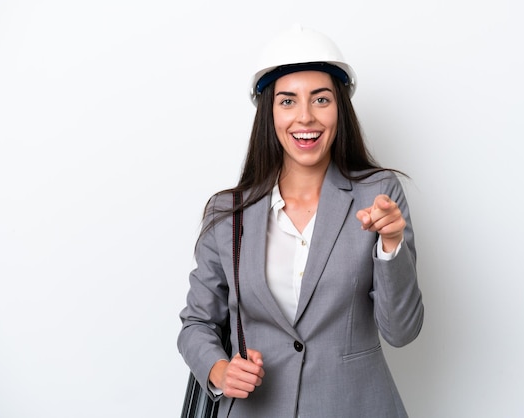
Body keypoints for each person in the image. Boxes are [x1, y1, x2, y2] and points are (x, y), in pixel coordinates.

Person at [178, 24, 424, 418]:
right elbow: (197, 323)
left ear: (339, 108)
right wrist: (220, 370)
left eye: (321, 99)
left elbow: (401, 331)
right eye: (288, 101)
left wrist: (391, 246)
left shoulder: (378, 194)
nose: (305, 117)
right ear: (269, 113)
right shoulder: (229, 214)